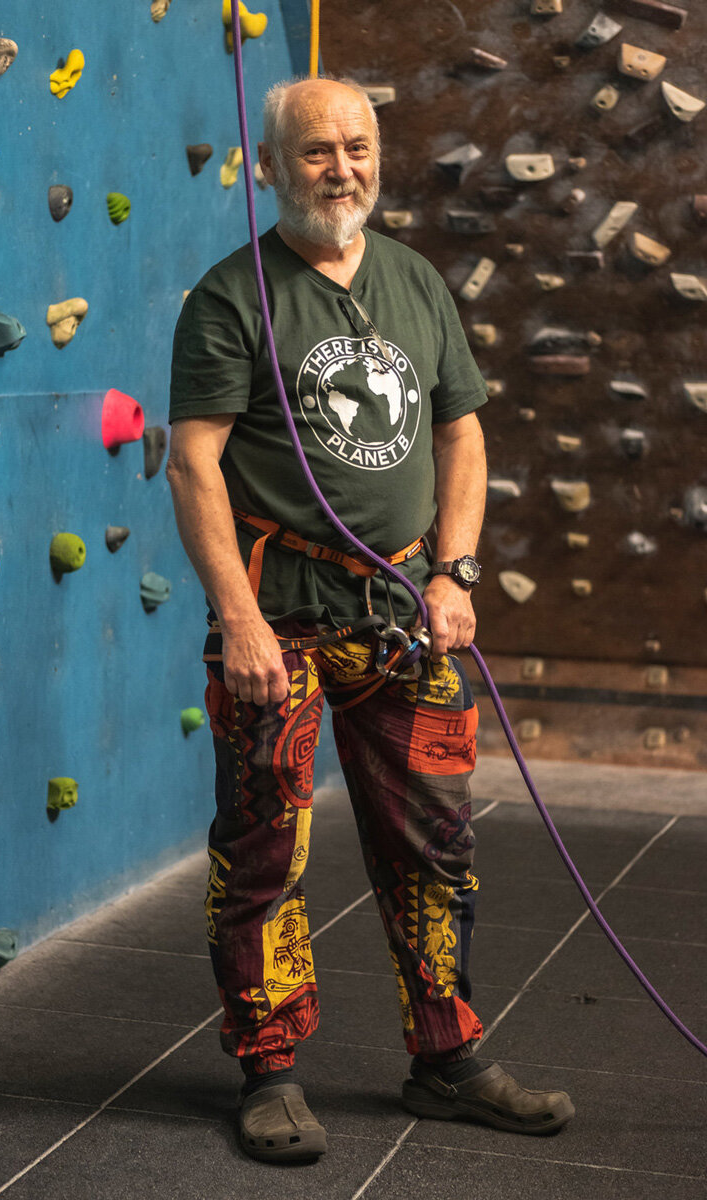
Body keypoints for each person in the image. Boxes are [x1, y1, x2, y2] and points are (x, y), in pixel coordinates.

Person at [166, 75, 574, 1164]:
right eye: (313, 152)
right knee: (263, 854)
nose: (340, 167)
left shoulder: (414, 281)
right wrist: (239, 621)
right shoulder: (229, 297)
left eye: (355, 147)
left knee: (436, 843)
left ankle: (445, 1059)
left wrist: (456, 574)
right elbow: (192, 462)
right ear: (268, 168)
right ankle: (267, 1071)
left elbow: (461, 436)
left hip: (403, 614)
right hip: (279, 624)